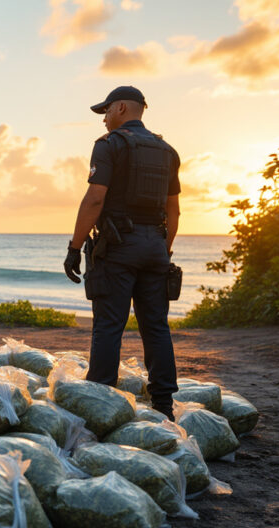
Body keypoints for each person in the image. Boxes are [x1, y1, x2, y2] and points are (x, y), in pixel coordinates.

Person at [63, 86, 181, 420]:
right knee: (156, 326)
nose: (104, 118)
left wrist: (74, 247)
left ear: (124, 108)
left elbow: (95, 199)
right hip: (155, 247)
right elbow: (174, 212)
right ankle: (163, 406)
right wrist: (163, 249)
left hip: (118, 247)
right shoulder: (168, 151)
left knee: (109, 324)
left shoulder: (109, 146)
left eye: (107, 110)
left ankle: (99, 402)